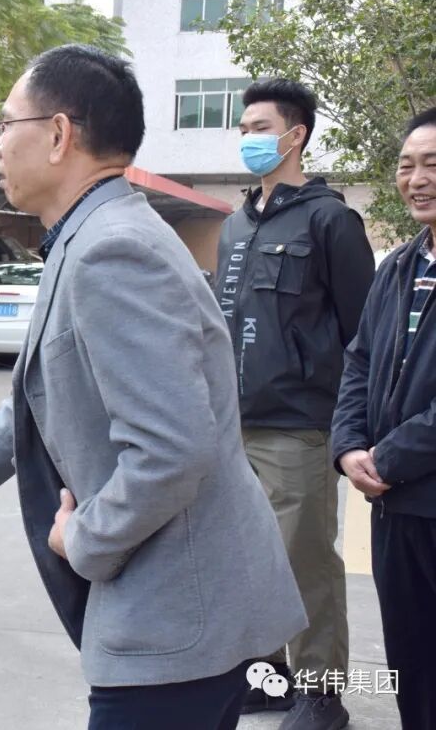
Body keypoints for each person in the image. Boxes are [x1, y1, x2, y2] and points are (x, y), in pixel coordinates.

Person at [0, 44, 307, 730]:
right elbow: (33, 406)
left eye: (6, 124)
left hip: (176, 614)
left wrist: (83, 537)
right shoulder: (90, 237)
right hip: (179, 610)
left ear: (58, 134)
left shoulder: (112, 251)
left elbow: (173, 450)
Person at [213, 78, 373, 729]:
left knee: (304, 559)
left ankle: (322, 690)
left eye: (259, 128)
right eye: (244, 128)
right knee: (249, 557)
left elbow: (363, 333)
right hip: (235, 422)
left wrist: (354, 426)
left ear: (295, 134)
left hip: (300, 424)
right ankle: (269, 673)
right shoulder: (235, 225)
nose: (248, 139)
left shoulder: (330, 220)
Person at [332, 106, 436, 730]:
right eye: (406, 165)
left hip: (411, 483)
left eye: (432, 165)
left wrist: (386, 458)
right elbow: (359, 361)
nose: (416, 179)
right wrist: (348, 445)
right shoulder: (398, 266)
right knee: (412, 660)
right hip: (395, 506)